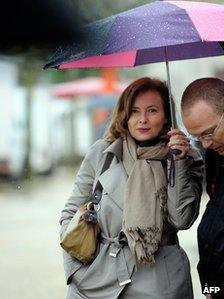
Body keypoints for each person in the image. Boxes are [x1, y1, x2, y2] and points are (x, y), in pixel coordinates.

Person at [60, 77, 204, 299]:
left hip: (158, 281)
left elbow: (181, 219)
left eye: (152, 111)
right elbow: (70, 212)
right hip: (96, 280)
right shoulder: (102, 153)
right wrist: (75, 270)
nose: (142, 120)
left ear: (166, 117)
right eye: (135, 111)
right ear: (125, 115)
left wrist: (178, 163)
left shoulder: (185, 157)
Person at [181, 77, 224, 299]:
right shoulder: (214, 155)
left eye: (208, 132)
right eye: (197, 137)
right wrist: (210, 288)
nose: (206, 143)